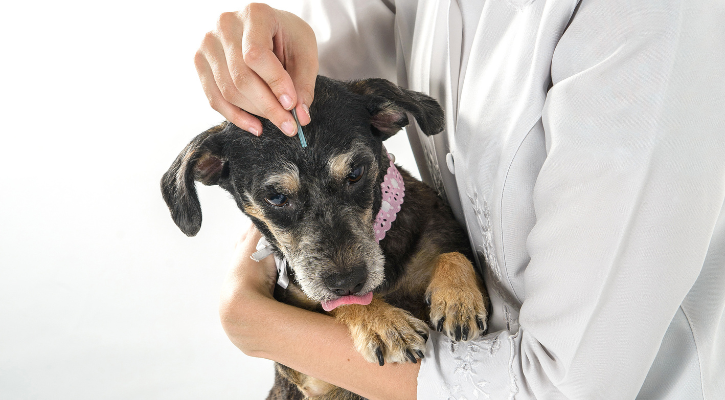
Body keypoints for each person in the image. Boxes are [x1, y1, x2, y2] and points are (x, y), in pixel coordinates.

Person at [196, 1, 725, 399]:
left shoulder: (645, 20)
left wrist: (263, 325)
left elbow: (565, 387)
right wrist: (282, 52)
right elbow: (323, 99)